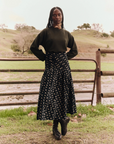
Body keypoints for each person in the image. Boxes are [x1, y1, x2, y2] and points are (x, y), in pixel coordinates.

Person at [30, 6, 78, 140]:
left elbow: (74, 50)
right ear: (51, 17)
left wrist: (63, 58)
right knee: (50, 95)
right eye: (54, 15)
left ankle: (57, 125)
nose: (57, 17)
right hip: (50, 67)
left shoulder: (66, 34)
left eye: (59, 15)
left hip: (63, 68)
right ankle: (62, 120)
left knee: (61, 94)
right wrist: (44, 57)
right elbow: (33, 47)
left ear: (62, 16)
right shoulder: (45, 32)